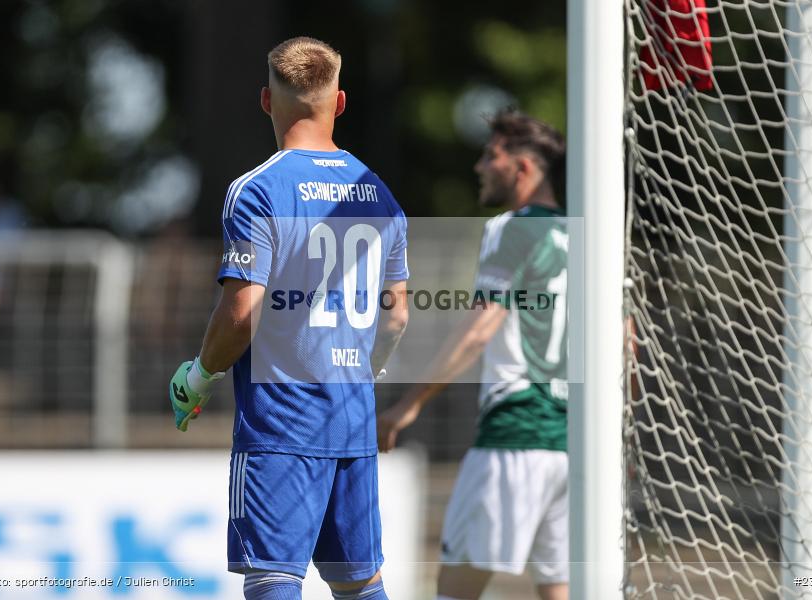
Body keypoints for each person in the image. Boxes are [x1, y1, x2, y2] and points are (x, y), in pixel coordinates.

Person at [168, 37, 409, 600]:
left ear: (265, 102)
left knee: (274, 577)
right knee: (360, 583)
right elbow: (395, 316)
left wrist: (198, 375)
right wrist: (360, 371)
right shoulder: (379, 194)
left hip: (281, 426)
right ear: (340, 102)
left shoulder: (255, 191)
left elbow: (243, 309)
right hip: (351, 418)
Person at [378, 109, 568, 600]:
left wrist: (407, 405)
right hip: (576, 448)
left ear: (522, 168)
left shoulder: (512, 229)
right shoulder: (590, 236)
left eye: (491, 155)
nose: (480, 166)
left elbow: (482, 328)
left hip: (514, 436)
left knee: (453, 592)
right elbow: (625, 341)